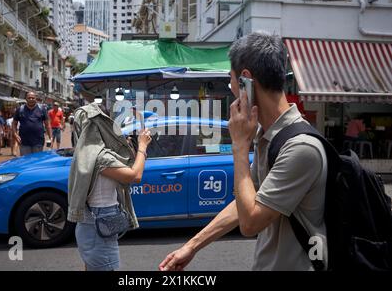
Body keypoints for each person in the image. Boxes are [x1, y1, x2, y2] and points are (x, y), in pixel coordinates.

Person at [159, 32, 328, 271]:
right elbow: (248, 202)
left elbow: (250, 223)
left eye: (232, 82)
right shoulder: (269, 136)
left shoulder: (300, 148)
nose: (233, 90)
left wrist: (239, 146)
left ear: (246, 80)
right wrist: (192, 245)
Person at [68, 102, 152, 271]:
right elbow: (135, 175)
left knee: (94, 266)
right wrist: (142, 145)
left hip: (95, 221)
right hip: (99, 222)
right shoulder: (99, 157)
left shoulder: (86, 153)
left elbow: (128, 162)